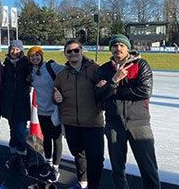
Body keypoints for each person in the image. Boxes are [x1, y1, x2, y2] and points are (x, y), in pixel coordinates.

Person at [95, 34, 161, 189]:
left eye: (121, 45)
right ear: (110, 48)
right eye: (115, 45)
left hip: (139, 123)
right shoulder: (104, 69)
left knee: (148, 168)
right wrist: (114, 80)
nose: (118, 48)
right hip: (114, 123)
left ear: (127, 48)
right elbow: (98, 95)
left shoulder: (141, 64)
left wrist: (113, 88)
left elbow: (144, 92)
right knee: (118, 169)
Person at [52, 40, 104, 189]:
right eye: (69, 51)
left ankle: (94, 186)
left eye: (76, 50)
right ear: (65, 54)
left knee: (95, 158)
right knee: (78, 155)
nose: (73, 53)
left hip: (93, 122)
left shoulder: (95, 69)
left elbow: (105, 92)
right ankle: (82, 183)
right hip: (71, 123)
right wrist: (55, 98)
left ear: (82, 51)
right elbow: (54, 95)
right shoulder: (62, 75)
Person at [27, 46, 65, 183]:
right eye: (32, 56)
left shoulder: (51, 66)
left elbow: (68, 70)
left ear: (41, 56)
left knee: (57, 139)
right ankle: (48, 164)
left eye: (37, 55)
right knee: (46, 138)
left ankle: (56, 167)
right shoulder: (31, 71)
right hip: (42, 110)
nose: (35, 58)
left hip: (55, 109)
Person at [2, 40, 31, 176]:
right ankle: (14, 154)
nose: (14, 52)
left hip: (21, 103)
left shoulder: (26, 64)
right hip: (8, 103)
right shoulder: (6, 64)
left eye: (17, 50)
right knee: (12, 130)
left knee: (20, 131)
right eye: (12, 49)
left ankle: (21, 156)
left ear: (21, 51)